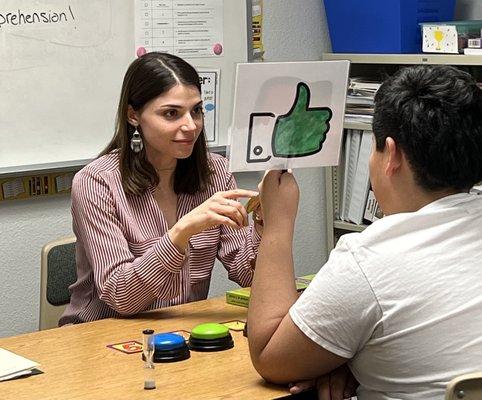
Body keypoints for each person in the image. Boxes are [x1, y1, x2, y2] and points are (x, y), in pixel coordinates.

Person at [248, 65, 482, 400]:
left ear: (392, 154)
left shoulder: (369, 259)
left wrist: (278, 224)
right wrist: (355, 357)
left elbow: (270, 356)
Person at [60, 52, 262, 325]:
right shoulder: (96, 182)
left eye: (197, 110)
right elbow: (122, 296)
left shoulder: (217, 173)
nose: (191, 126)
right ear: (134, 115)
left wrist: (264, 223)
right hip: (101, 334)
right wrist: (181, 232)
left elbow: (248, 276)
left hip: (181, 332)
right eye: (171, 113)